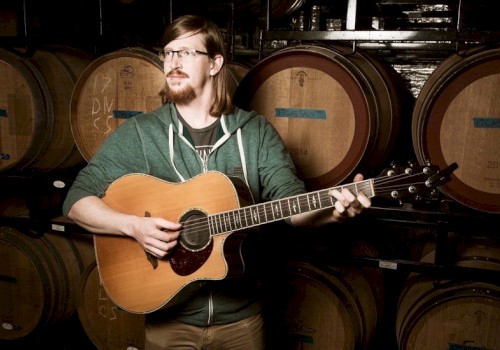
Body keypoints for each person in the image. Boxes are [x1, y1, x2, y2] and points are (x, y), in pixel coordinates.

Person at [62, 14, 371, 350]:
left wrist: (333, 212)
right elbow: (76, 201)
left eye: (186, 53)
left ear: (214, 63)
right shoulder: (140, 134)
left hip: (242, 321)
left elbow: (291, 205)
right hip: (169, 321)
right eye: (168, 53)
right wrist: (132, 226)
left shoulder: (255, 133)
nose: (173, 63)